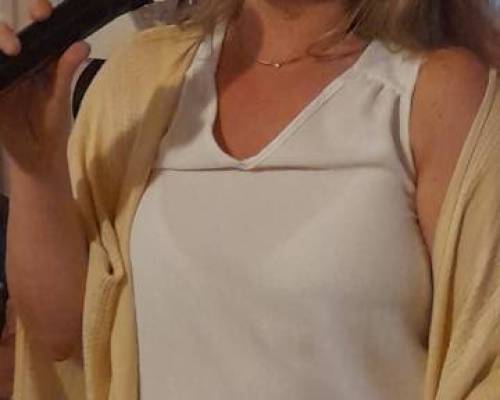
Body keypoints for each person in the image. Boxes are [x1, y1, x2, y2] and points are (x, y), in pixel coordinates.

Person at [0, 0, 499, 399]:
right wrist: (35, 165)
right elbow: (67, 335)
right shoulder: (143, 82)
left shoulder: (436, 94)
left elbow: (487, 362)